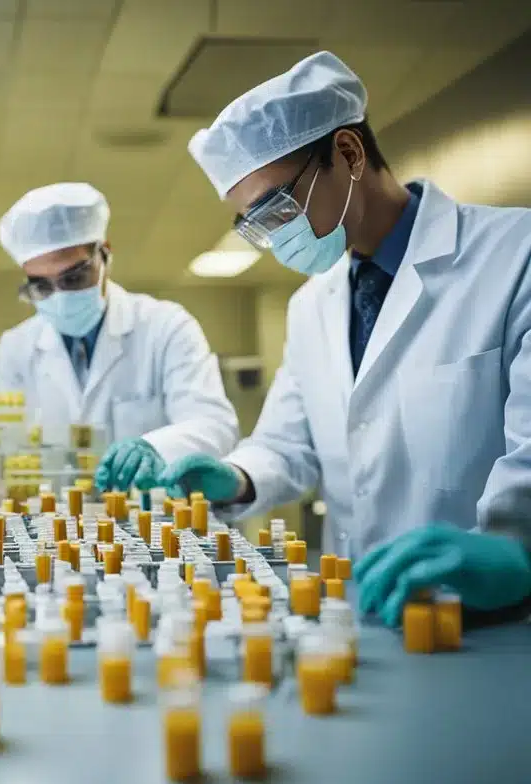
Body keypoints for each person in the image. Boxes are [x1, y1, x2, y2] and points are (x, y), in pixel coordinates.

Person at [163, 51, 531, 625]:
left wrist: (517, 549)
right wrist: (235, 478)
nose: (275, 235)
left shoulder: (515, 258)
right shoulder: (312, 305)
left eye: (278, 207)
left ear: (349, 153)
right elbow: (291, 444)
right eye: (256, 225)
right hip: (360, 612)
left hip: (490, 625)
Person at [0, 183, 238, 492]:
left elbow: (214, 424)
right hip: (56, 524)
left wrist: (154, 447)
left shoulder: (166, 327)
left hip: (154, 518)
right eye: (42, 286)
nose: (61, 295)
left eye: (74, 277)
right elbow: (10, 449)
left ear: (104, 253)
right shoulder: (14, 350)